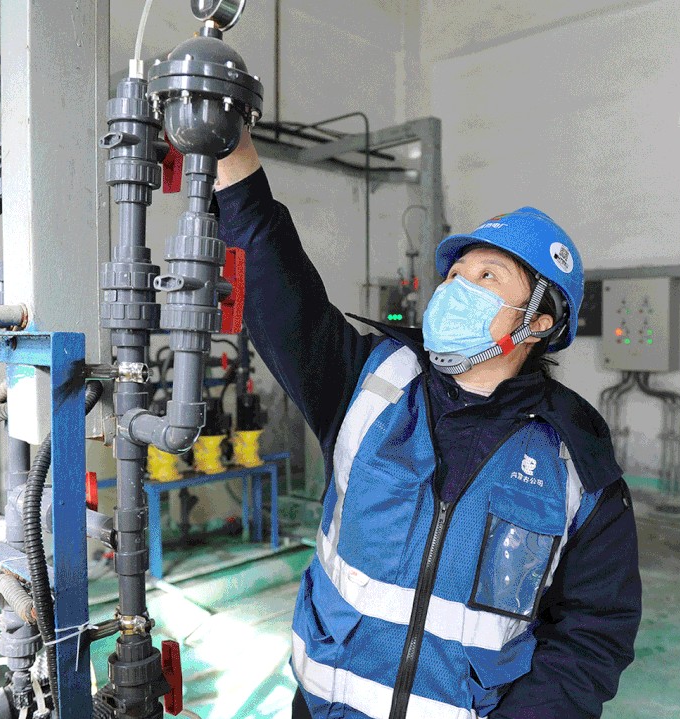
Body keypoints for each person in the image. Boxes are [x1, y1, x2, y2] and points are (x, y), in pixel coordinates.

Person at [214, 128, 641, 719]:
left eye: (488, 277)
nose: (459, 287)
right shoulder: (368, 381)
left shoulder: (573, 454)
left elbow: (593, 631)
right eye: (455, 275)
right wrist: (231, 149)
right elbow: (274, 280)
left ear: (539, 322)